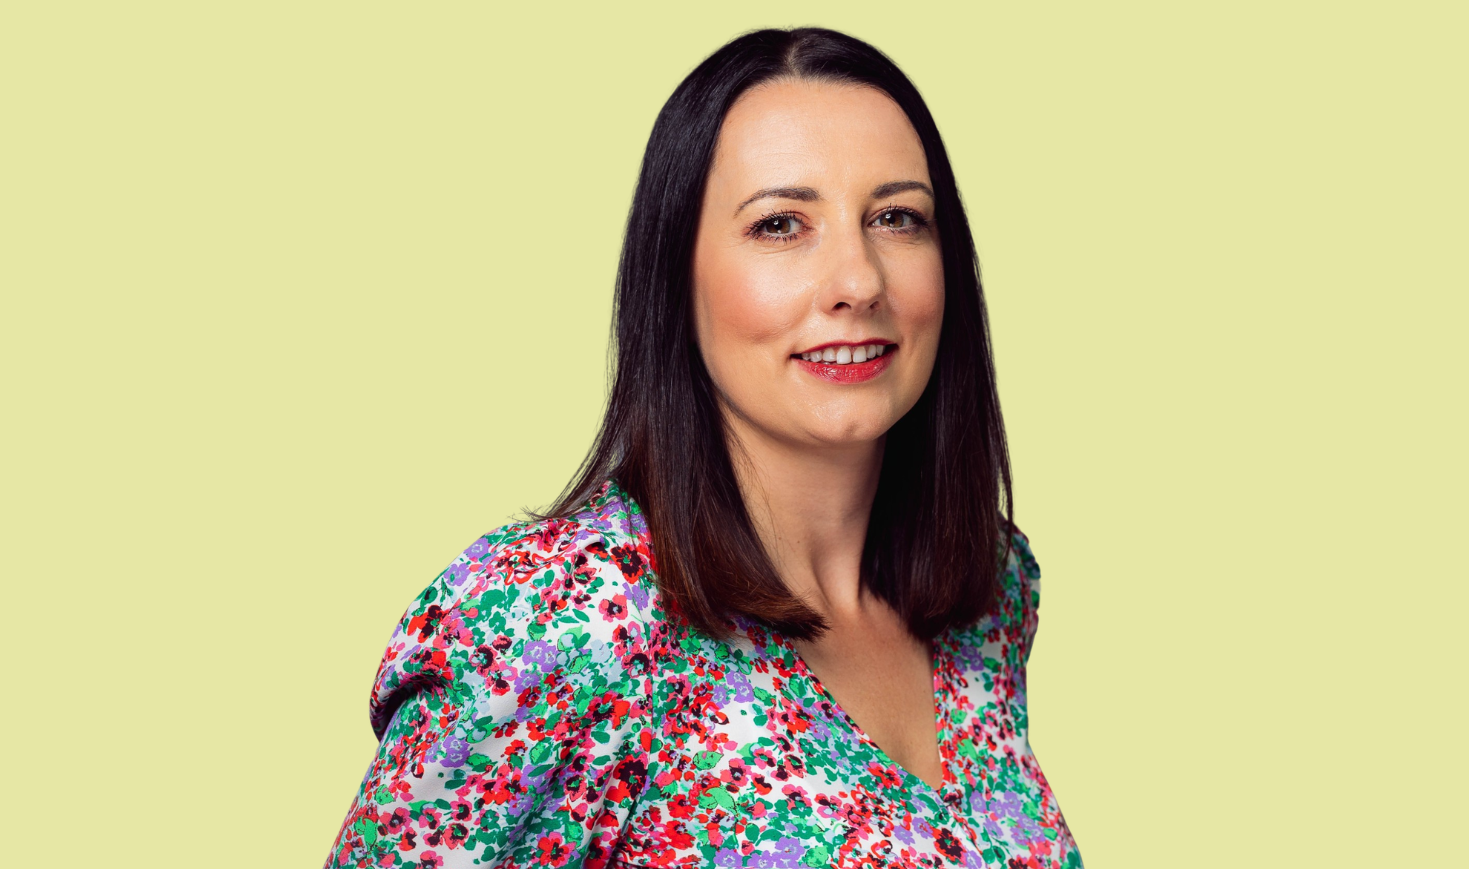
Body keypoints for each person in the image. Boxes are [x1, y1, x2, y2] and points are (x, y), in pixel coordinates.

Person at [325, 27, 1081, 869]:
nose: (860, 280)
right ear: (674, 277)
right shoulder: (559, 618)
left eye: (897, 218)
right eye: (781, 225)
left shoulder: (987, 591)